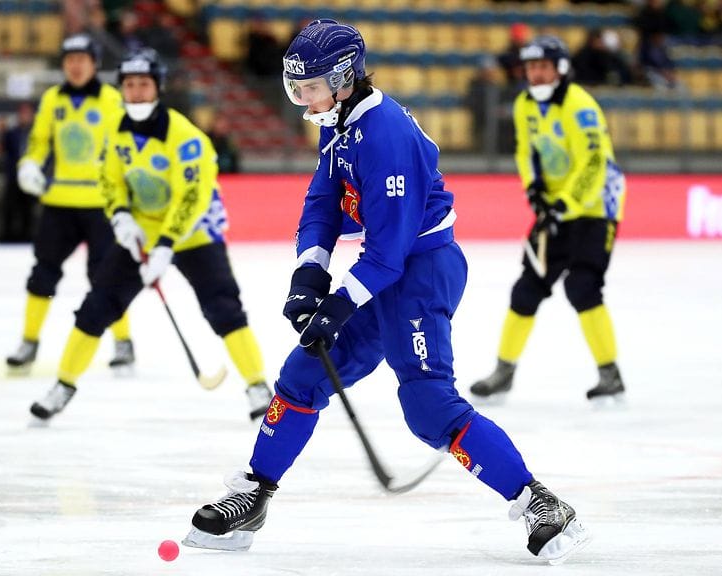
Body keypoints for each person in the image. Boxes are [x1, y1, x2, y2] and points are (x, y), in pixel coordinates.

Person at [183, 20, 590, 565]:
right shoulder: (340, 120)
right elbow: (323, 202)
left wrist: (339, 303)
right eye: (295, 86)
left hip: (423, 270)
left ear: (345, 78)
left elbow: (389, 252)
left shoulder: (386, 137)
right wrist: (309, 277)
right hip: (390, 266)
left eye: (309, 86)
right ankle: (255, 492)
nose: (300, 98)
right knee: (304, 373)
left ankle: (539, 501)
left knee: (428, 407)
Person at [28, 48, 273, 422]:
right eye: (129, 85)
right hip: (141, 232)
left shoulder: (185, 137)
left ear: (157, 87)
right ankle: (63, 384)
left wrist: (165, 246)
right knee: (97, 306)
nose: (137, 92)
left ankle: (257, 385)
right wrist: (122, 217)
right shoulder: (114, 132)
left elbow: (191, 199)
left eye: (144, 84)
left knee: (223, 307)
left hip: (193, 232)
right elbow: (109, 179)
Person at [470, 36, 627, 403]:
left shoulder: (581, 107)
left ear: (560, 69)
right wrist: (534, 190)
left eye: (542, 67)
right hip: (556, 206)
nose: (535, 75)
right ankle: (503, 372)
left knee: (583, 287)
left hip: (595, 209)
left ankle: (610, 374)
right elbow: (526, 151)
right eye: (530, 68)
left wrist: (565, 204)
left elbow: (594, 165)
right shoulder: (525, 104)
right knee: (527, 288)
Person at [5, 34, 136, 374]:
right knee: (42, 273)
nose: (75, 66)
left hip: (100, 203)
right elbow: (38, 142)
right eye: (69, 60)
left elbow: (125, 145)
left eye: (82, 60)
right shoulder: (52, 99)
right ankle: (29, 341)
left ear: (94, 63)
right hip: (59, 202)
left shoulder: (111, 99)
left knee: (106, 275)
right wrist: (29, 165)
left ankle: (123, 341)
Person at [0, 102, 37, 243]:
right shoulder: (11, 133)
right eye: (22, 114)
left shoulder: (35, 134)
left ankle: (26, 237)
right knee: (9, 208)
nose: (25, 117)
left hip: (29, 178)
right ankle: (7, 237)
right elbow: (2, 149)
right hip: (13, 177)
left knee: (27, 210)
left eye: (27, 114)